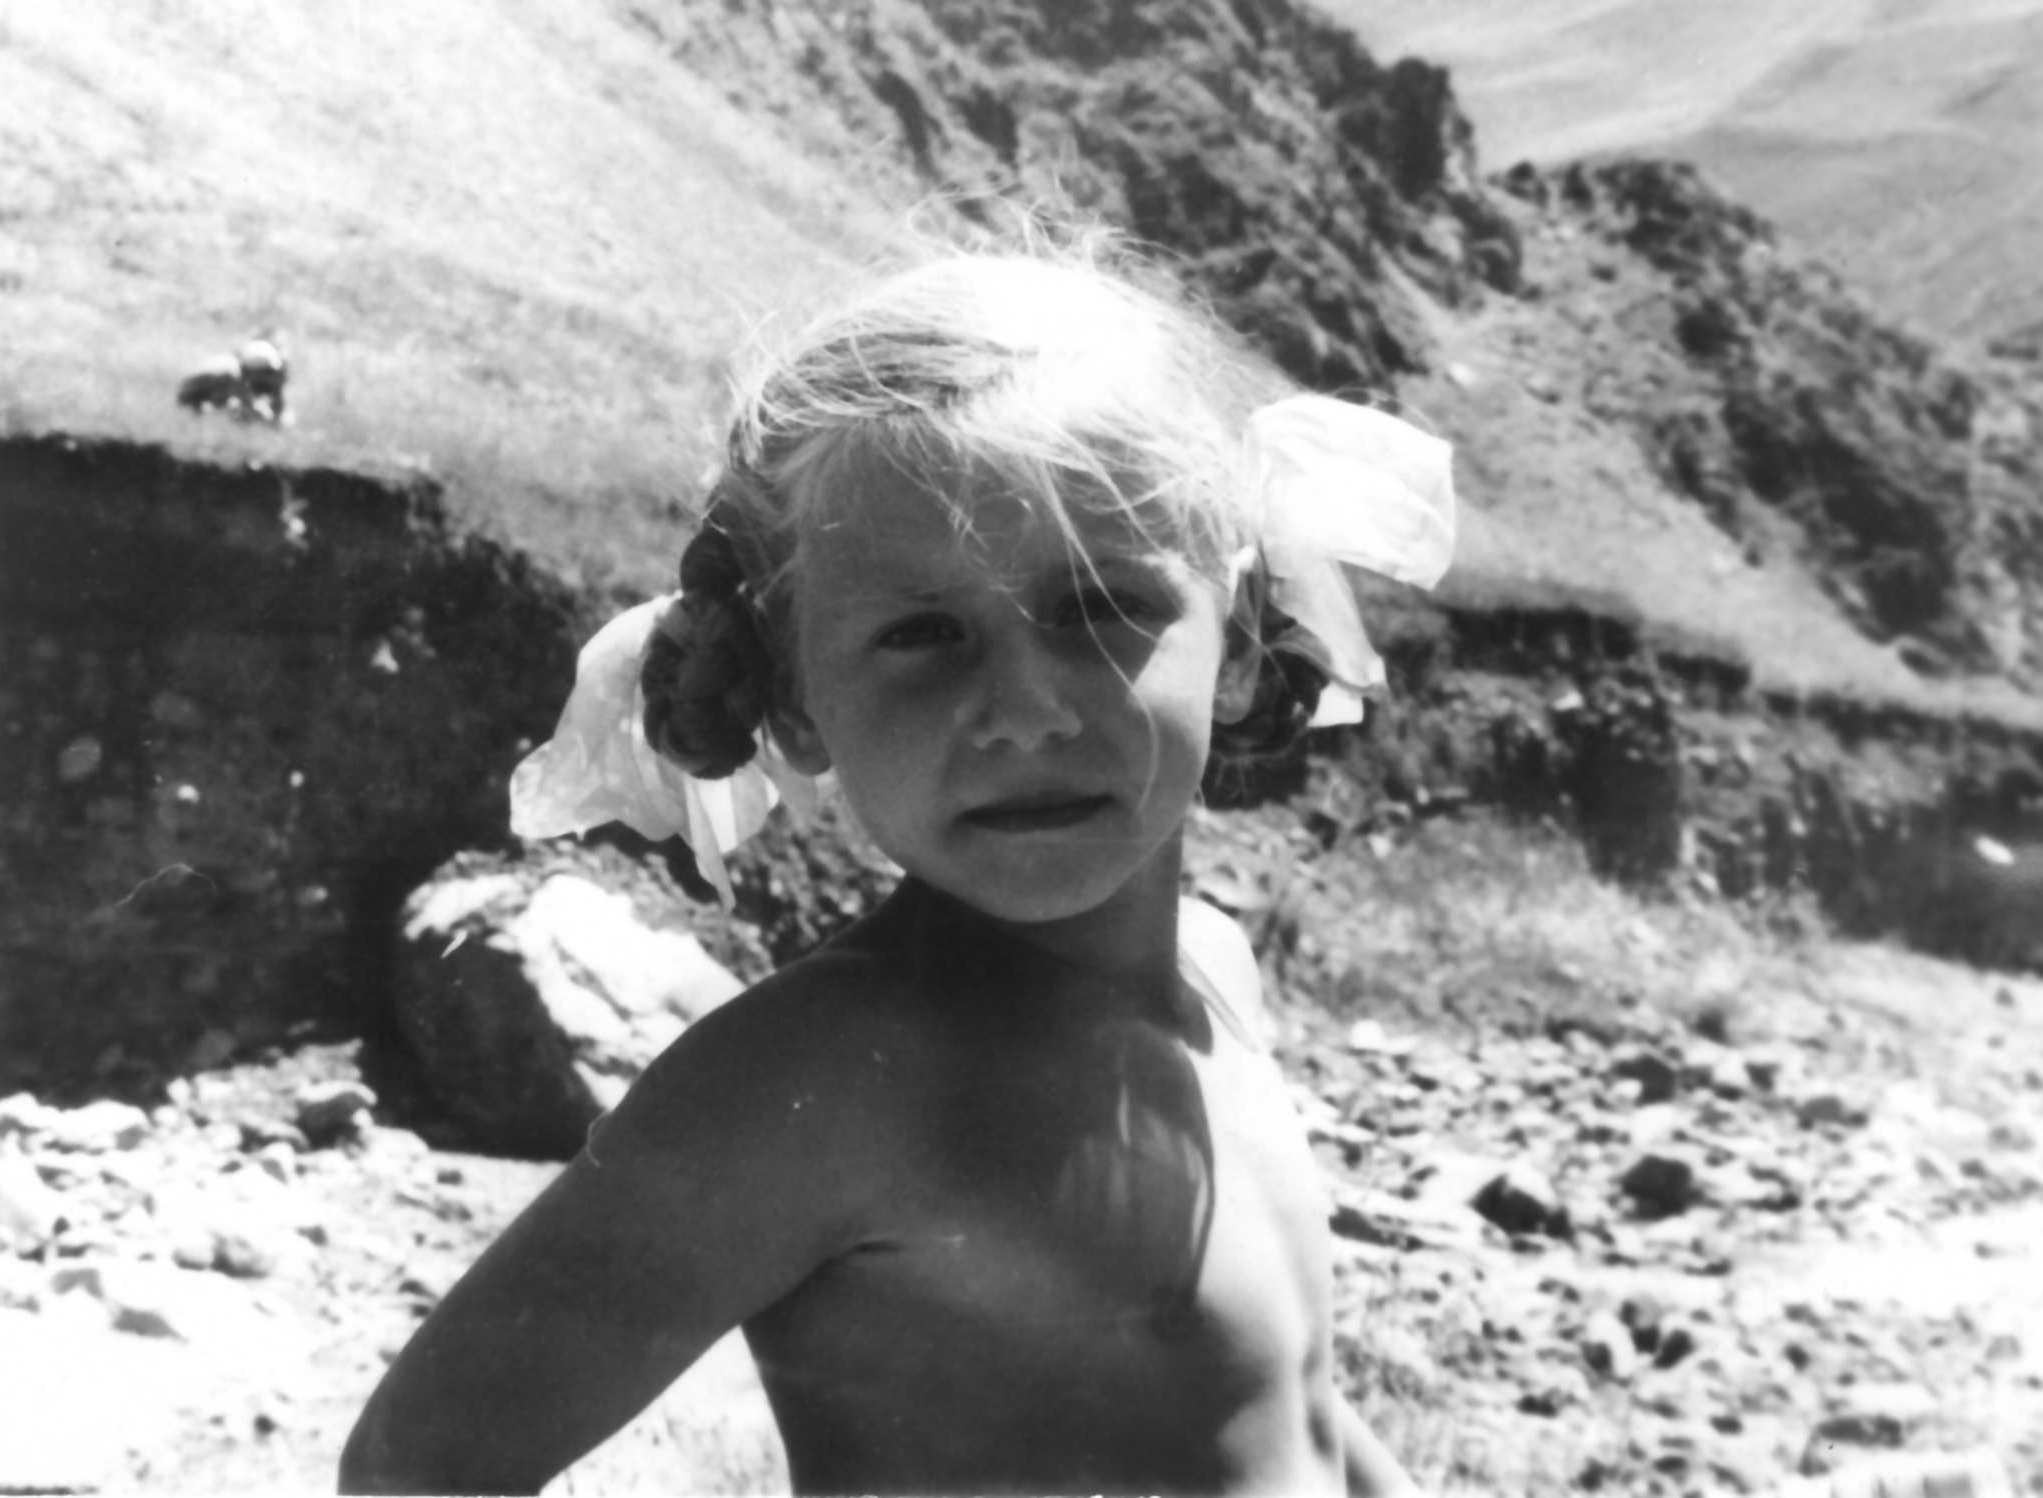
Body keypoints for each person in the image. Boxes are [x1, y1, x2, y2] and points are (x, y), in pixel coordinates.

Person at [338, 230, 1455, 1497]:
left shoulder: (1217, 974)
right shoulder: (824, 1079)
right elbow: (414, 1467)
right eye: (924, 634)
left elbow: (1280, 1404)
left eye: (1101, 606)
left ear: (1240, 640)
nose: (1024, 709)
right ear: (795, 696)